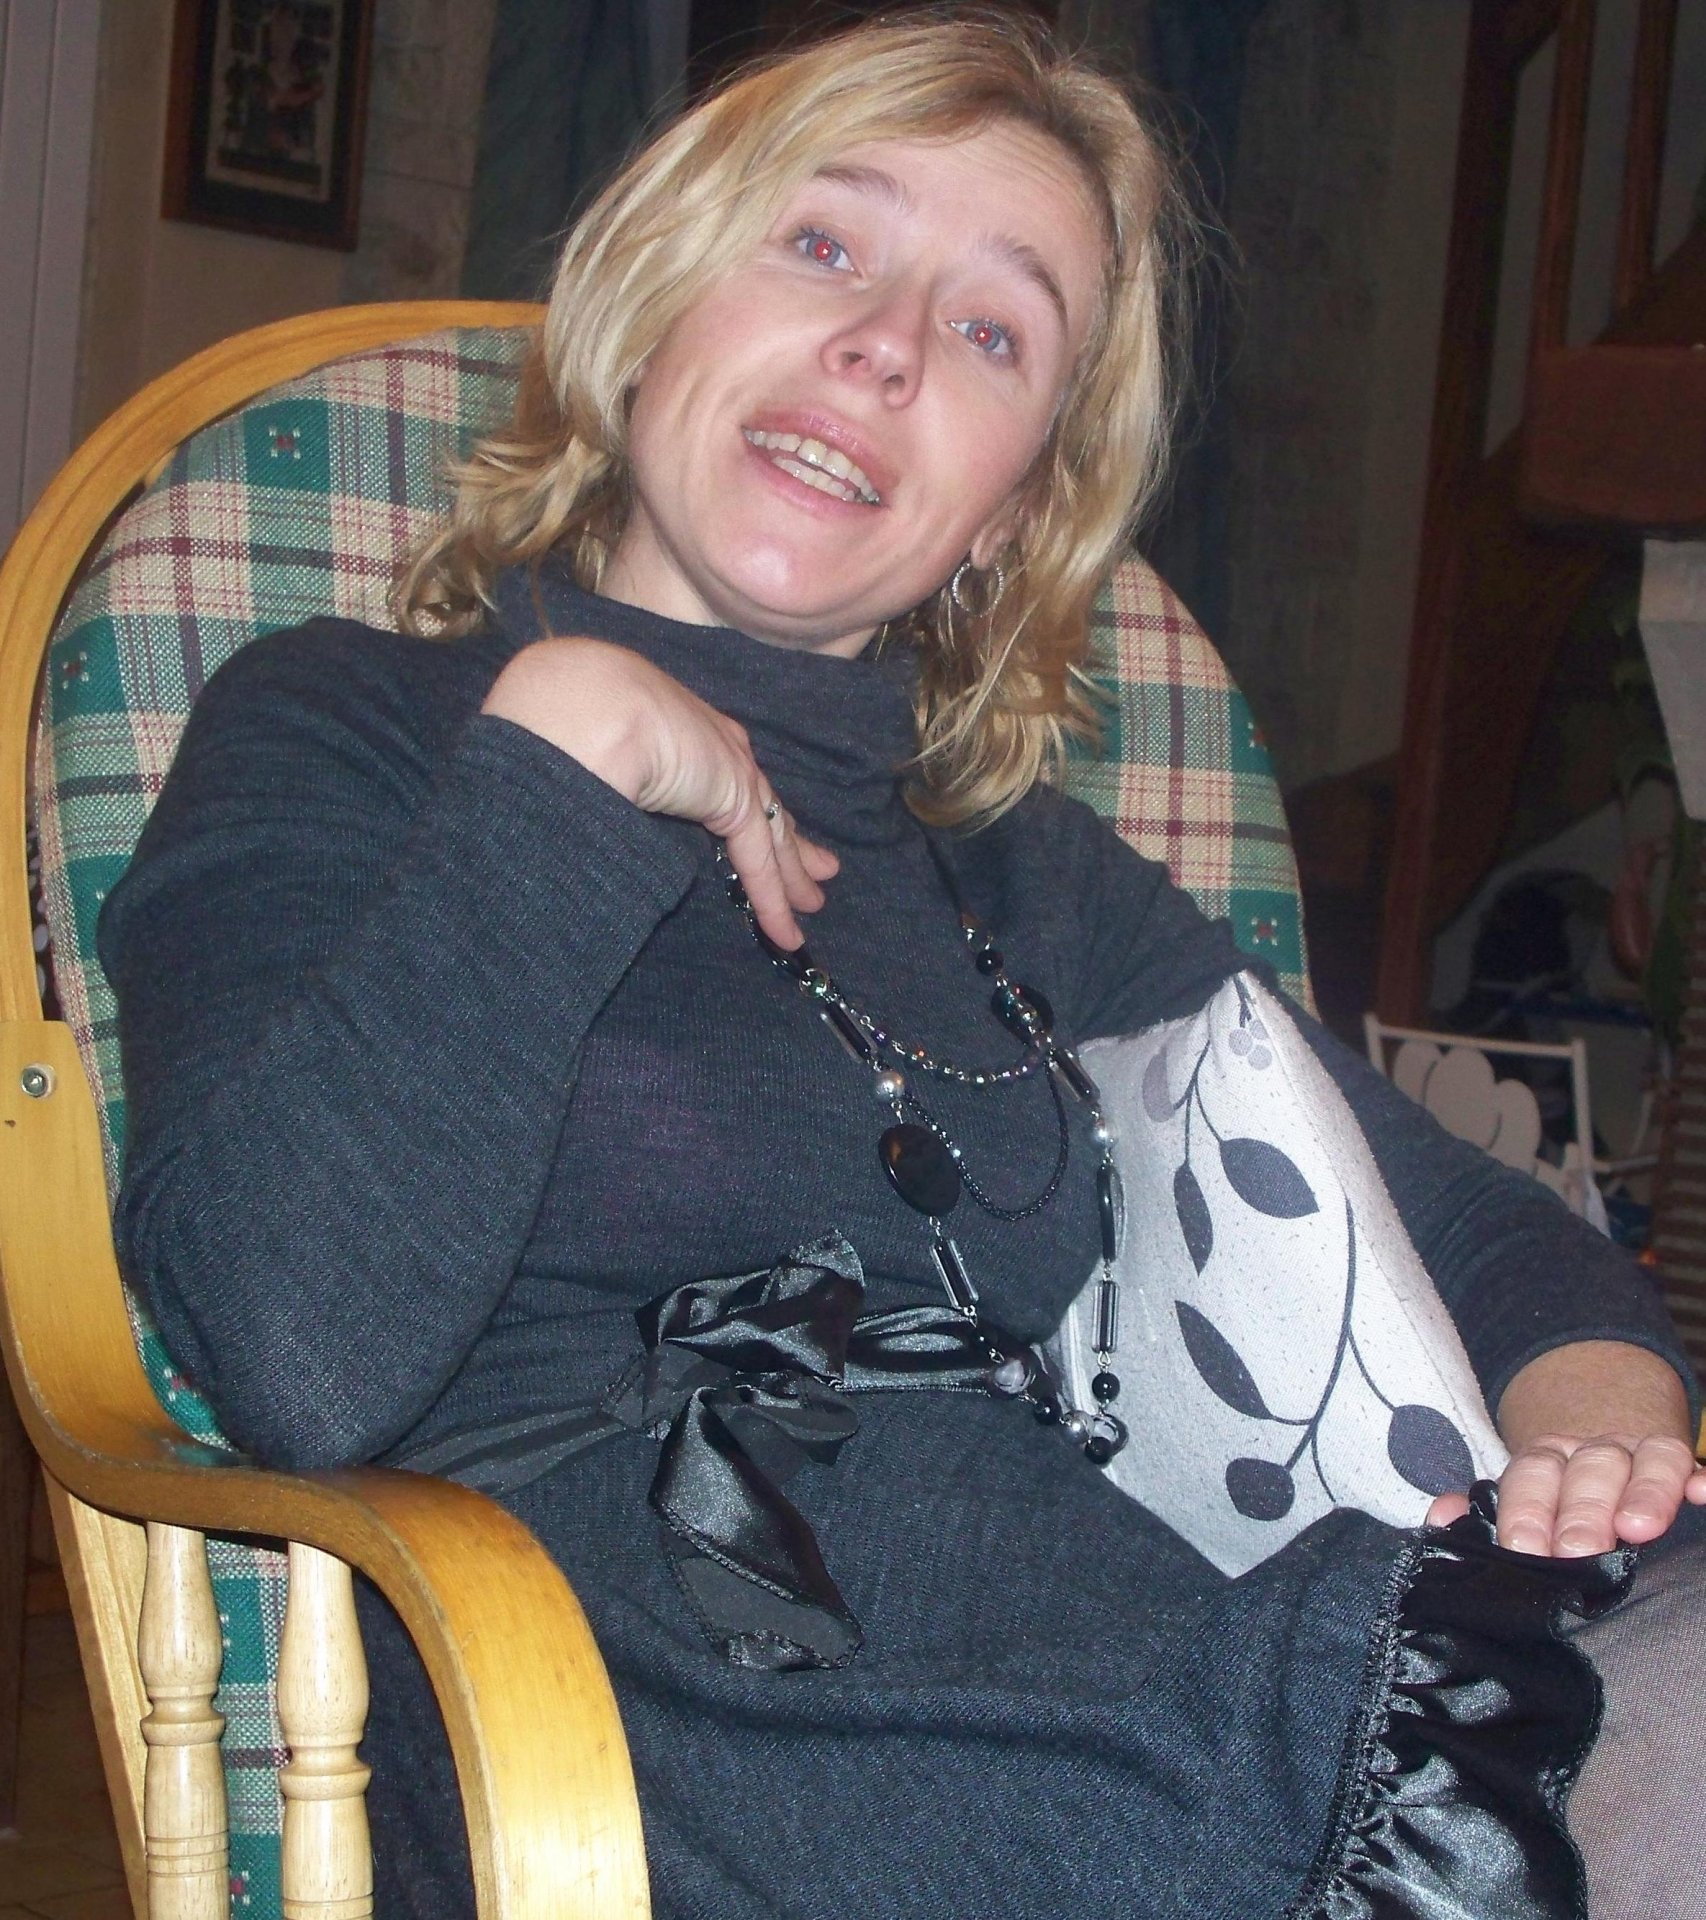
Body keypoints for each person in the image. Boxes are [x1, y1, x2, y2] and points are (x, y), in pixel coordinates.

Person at [97, 17, 1705, 1919]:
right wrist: (566, 756)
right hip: (639, 1701)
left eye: (993, 331)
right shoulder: (345, 728)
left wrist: (1601, 1419)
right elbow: (287, 1355)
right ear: (650, 310)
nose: (886, 345)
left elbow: (1446, 1210)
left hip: (1094, 1642)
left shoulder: (1023, 871)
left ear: (1010, 508)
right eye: (823, 245)